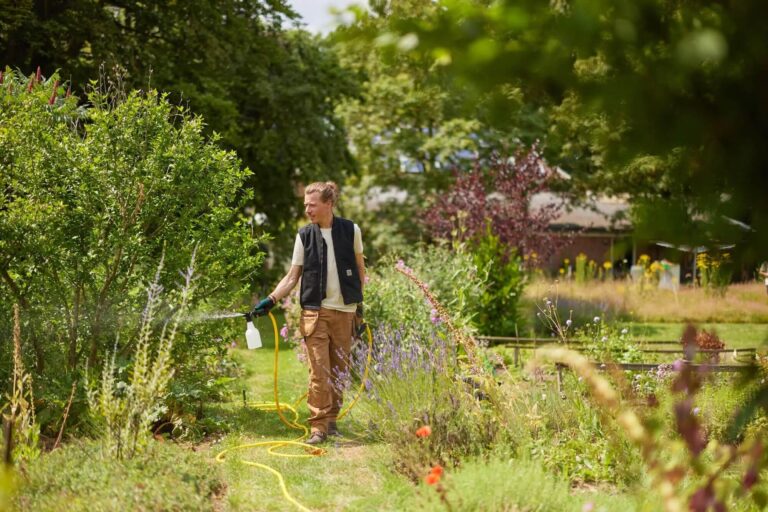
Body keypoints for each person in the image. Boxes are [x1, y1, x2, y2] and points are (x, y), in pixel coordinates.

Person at [250, 181, 365, 445]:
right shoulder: (304, 236)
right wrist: (271, 299)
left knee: (339, 371)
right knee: (319, 372)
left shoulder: (351, 230)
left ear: (328, 204)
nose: (307, 210)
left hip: (345, 311)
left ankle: (332, 420)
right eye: (305, 205)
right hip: (315, 313)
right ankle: (318, 427)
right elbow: (292, 277)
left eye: (312, 205)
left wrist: (359, 303)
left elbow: (360, 268)